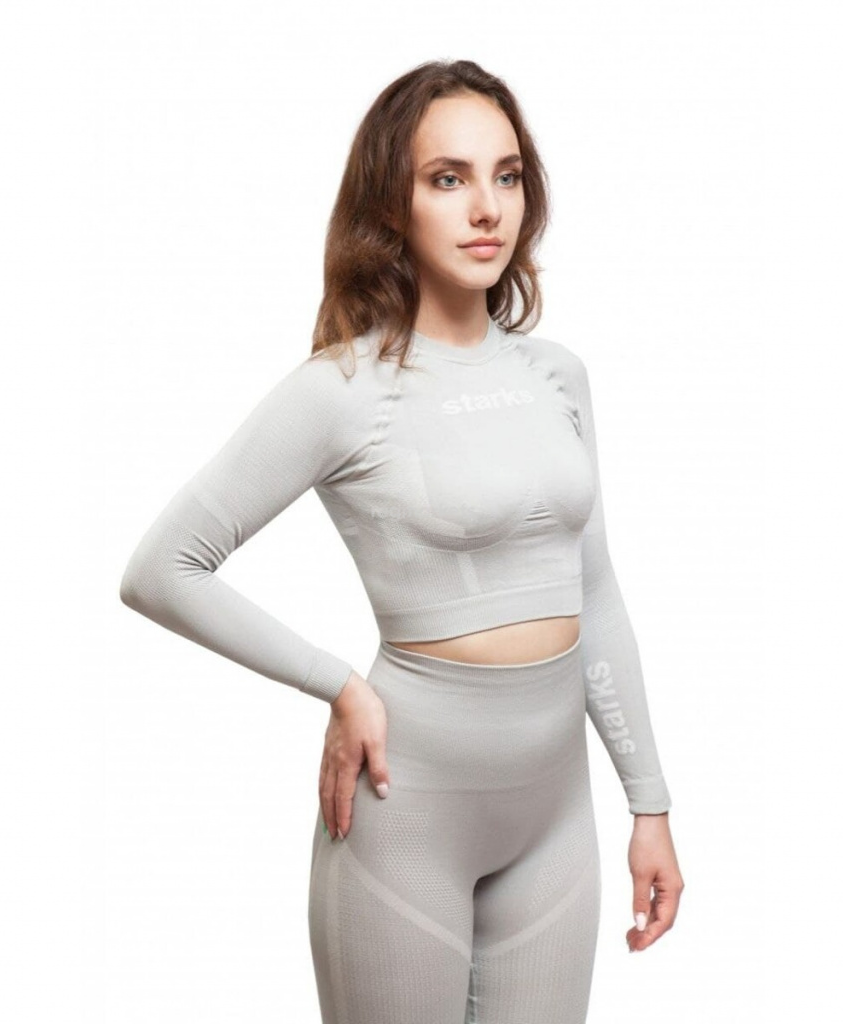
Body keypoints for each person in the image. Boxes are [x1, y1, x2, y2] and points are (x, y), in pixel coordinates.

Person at [119, 58, 684, 1024]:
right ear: (393, 203)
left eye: (507, 176)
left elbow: (595, 592)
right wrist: (338, 684)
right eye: (448, 178)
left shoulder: (558, 376)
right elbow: (162, 569)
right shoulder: (342, 390)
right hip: (407, 807)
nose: (487, 208)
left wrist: (650, 802)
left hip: (557, 820)